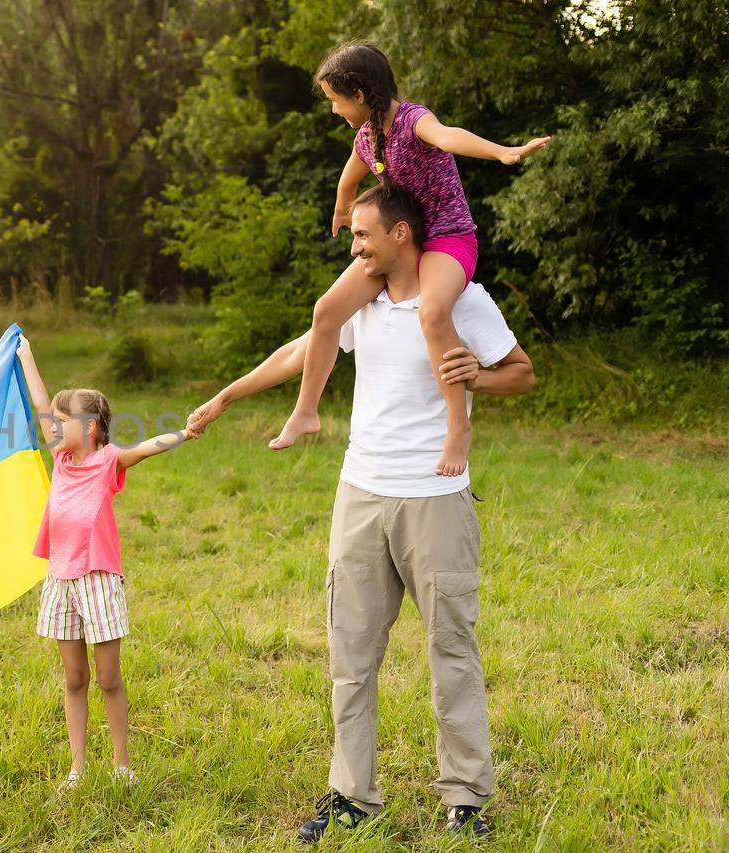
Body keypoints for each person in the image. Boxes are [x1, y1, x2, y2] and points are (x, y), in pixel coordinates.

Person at [188, 184, 536, 840]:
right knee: (350, 652)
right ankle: (352, 794)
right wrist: (227, 396)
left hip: (436, 499)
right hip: (361, 494)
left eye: (362, 236)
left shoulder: (461, 299)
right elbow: (302, 350)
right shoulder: (361, 301)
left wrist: (474, 377)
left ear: (401, 234)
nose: (353, 247)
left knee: (451, 647)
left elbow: (521, 372)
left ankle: (465, 798)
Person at [271, 41, 549, 480]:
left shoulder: (413, 121)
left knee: (434, 312)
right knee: (326, 310)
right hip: (401, 244)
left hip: (447, 238)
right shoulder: (367, 138)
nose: (333, 110)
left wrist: (502, 152)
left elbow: (449, 137)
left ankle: (458, 426)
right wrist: (344, 212)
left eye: (335, 100)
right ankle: (306, 410)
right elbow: (348, 178)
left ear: (359, 95)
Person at [16, 334, 202, 790]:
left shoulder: (107, 461)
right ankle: (77, 768)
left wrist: (185, 431)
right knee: (74, 677)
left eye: (64, 421)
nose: (54, 427)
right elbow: (40, 401)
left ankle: (122, 766)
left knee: (108, 677)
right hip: (60, 579)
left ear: (93, 428)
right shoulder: (61, 459)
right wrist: (26, 356)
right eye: (54, 422)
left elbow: (147, 447)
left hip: (98, 579)